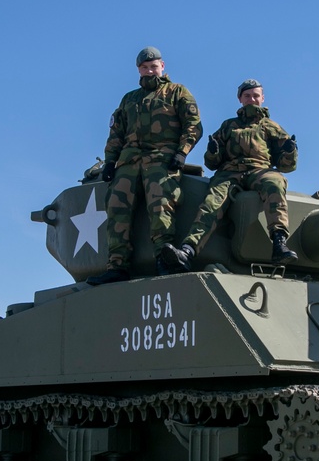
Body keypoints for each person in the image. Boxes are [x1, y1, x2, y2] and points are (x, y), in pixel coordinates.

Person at [86, 46, 202, 286]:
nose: (150, 71)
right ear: (139, 70)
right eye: (145, 68)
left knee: (160, 205)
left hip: (162, 156)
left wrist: (182, 152)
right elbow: (117, 132)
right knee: (117, 207)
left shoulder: (177, 92)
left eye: (154, 66)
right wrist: (110, 161)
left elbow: (193, 125)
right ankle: (117, 265)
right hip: (129, 161)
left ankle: (163, 258)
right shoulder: (130, 99)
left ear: (162, 66)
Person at [162, 79, 298, 272]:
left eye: (255, 95)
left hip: (260, 169)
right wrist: (213, 152)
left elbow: (287, 166)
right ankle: (188, 250)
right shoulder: (228, 126)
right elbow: (211, 163)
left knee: (275, 184)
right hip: (229, 172)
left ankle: (279, 241)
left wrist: (289, 151)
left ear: (262, 98)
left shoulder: (271, 127)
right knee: (211, 204)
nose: (252, 99)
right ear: (240, 99)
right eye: (247, 96)